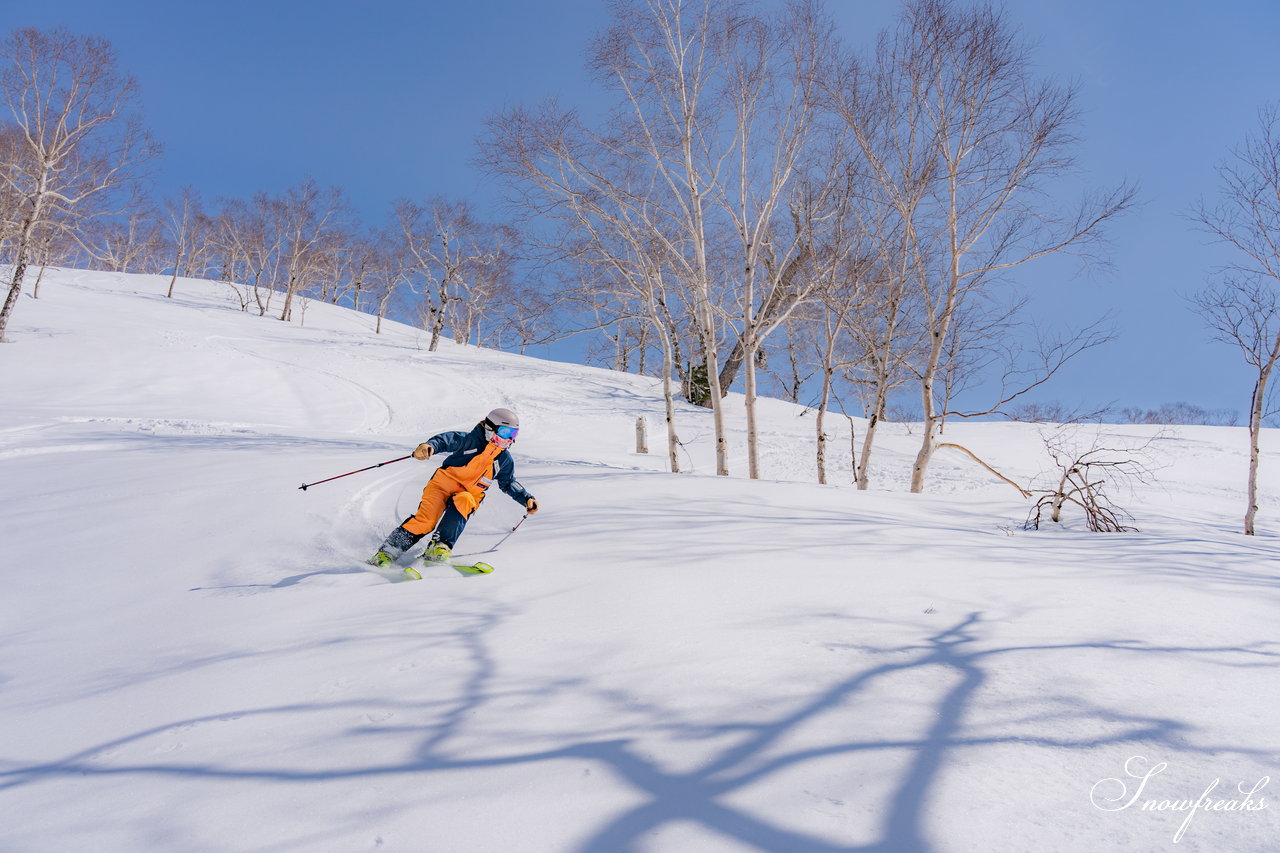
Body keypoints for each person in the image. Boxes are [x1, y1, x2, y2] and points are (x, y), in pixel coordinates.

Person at [368, 407, 538, 572]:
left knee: (465, 500)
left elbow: (508, 482)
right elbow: (445, 440)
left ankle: (439, 546)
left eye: (513, 434)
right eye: (505, 433)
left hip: (469, 494)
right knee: (426, 521)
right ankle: (387, 552)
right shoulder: (469, 440)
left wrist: (526, 498)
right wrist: (428, 446)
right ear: (489, 428)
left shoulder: (503, 460)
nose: (508, 439)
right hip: (442, 486)